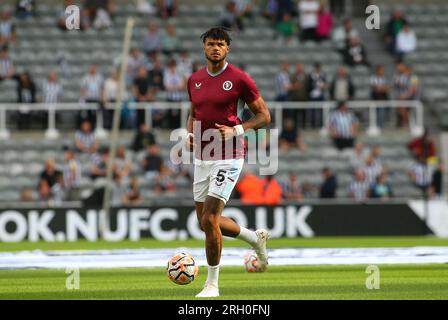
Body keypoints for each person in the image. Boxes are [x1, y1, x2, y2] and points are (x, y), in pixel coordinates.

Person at [186, 27, 271, 298]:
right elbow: (193, 112)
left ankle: (212, 285)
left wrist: (236, 130)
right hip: (202, 156)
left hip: (230, 154)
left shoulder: (239, 79)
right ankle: (254, 238)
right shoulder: (194, 80)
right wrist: (190, 133)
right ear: (204, 48)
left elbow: (264, 116)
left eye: (221, 44)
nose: (216, 48)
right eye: (211, 44)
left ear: (227, 49)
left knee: (210, 218)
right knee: (204, 221)